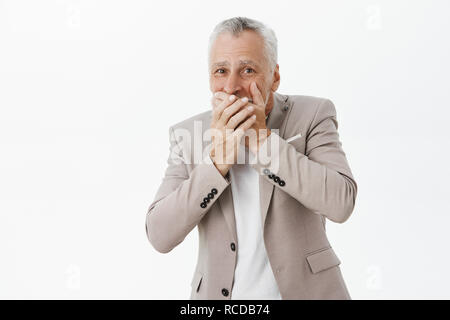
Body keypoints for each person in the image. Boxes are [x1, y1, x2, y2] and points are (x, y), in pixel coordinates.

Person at [145, 16, 358, 300]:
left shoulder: (313, 115)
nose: (231, 86)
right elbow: (160, 235)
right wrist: (216, 163)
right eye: (220, 70)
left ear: (275, 77)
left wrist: (262, 141)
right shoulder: (188, 134)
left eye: (247, 70)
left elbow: (341, 203)